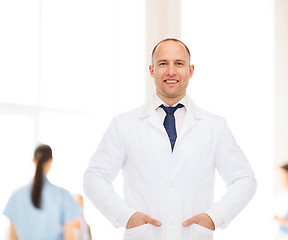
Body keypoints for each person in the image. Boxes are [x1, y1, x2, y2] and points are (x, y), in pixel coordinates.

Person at [83, 38, 257, 240]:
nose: (171, 71)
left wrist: (215, 217)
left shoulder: (214, 126)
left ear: (191, 71)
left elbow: (245, 179)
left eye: (179, 63)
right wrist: (125, 215)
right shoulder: (125, 124)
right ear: (152, 70)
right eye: (163, 63)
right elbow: (94, 177)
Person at [3, 144, 81, 240]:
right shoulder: (63, 195)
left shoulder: (17, 195)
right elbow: (69, 237)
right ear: (51, 161)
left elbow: (12, 236)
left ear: (33, 160)